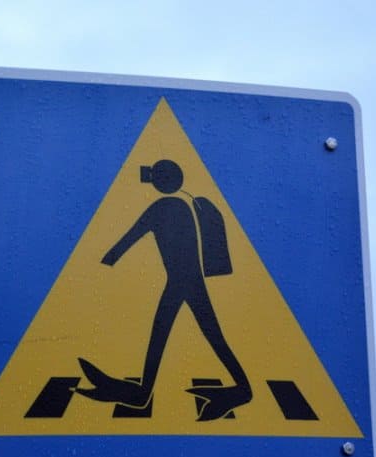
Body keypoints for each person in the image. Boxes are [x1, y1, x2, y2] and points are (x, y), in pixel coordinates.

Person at [76, 159, 252, 421]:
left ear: (160, 182)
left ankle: (145, 393)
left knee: (174, 332)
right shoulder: (187, 205)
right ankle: (241, 388)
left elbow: (131, 236)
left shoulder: (163, 207)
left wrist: (104, 261)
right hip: (187, 282)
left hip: (182, 282)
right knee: (206, 334)